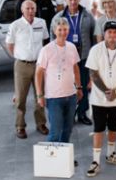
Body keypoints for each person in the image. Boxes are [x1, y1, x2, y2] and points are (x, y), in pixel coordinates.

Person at [84, 20, 116, 176]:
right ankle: (95, 161)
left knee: (114, 127)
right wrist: (106, 91)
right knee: (98, 129)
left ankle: (111, 154)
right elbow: (93, 73)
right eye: (109, 32)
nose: (112, 35)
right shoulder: (95, 50)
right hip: (99, 99)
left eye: (115, 32)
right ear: (104, 34)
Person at [35, 17, 82, 147]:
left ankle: (63, 159)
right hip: (54, 97)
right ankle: (51, 162)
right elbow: (38, 73)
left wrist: (79, 87)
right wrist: (40, 95)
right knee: (55, 132)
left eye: (65, 29)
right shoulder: (47, 49)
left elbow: (75, 68)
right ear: (54, 31)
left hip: (71, 95)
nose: (63, 32)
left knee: (67, 130)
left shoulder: (72, 47)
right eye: (60, 29)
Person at [52, 0, 96, 126]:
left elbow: (93, 37)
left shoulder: (88, 15)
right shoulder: (58, 17)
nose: (72, 2)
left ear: (79, 0)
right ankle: (69, 115)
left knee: (82, 85)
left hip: (83, 56)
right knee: (67, 87)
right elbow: (52, 38)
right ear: (65, 1)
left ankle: (82, 113)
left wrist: (92, 55)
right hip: (64, 58)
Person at [6, 0, 48, 139]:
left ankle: (41, 123)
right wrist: (20, 57)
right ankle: (20, 126)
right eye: (28, 8)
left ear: (36, 10)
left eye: (33, 8)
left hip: (39, 66)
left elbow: (45, 41)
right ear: (22, 10)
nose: (30, 11)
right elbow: (10, 45)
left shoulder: (41, 23)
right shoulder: (15, 25)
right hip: (22, 66)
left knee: (40, 96)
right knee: (20, 99)